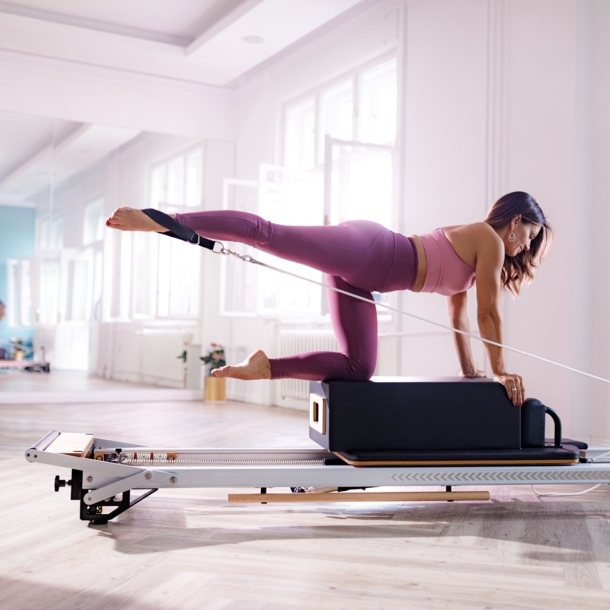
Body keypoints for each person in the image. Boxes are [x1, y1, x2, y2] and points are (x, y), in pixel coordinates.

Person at [106, 191, 552, 407]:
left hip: (363, 280)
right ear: (515, 222)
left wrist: (472, 371)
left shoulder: (476, 263)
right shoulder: (489, 241)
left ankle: (267, 367)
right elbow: (489, 313)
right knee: (267, 234)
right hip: (369, 249)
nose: (524, 248)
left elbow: (461, 316)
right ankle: (165, 220)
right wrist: (502, 371)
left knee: (360, 369)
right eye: (528, 237)